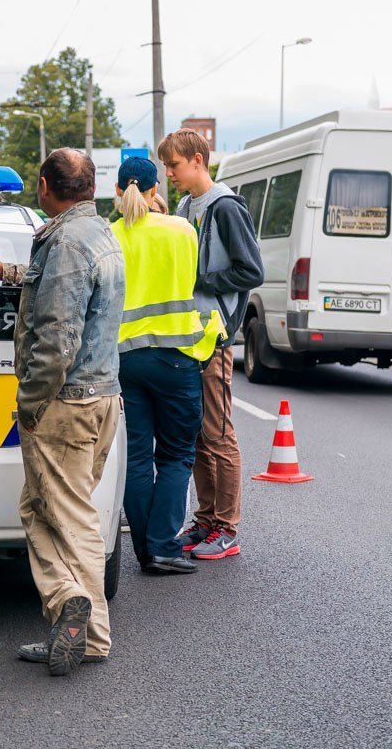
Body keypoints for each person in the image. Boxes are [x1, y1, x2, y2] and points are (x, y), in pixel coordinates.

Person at [0, 149, 124, 676]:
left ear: (44, 186)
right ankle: (74, 612)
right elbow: (62, 291)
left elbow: (57, 338)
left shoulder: (66, 244)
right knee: (41, 509)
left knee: (69, 515)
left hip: (65, 403)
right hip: (102, 398)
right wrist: (9, 272)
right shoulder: (99, 234)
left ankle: (83, 622)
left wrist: (30, 404)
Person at [108, 156, 224, 576]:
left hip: (124, 360)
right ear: (156, 190)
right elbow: (196, 283)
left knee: (136, 457)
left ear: (118, 191)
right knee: (175, 456)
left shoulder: (109, 235)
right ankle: (162, 548)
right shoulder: (180, 229)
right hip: (177, 358)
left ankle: (144, 548)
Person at [157, 129, 264, 560]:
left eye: (175, 165)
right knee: (197, 431)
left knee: (218, 433)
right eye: (166, 166)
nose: (170, 173)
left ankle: (227, 527)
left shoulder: (225, 207)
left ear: (198, 160)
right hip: (189, 334)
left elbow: (251, 271)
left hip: (214, 335)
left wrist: (201, 281)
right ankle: (204, 521)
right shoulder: (185, 206)